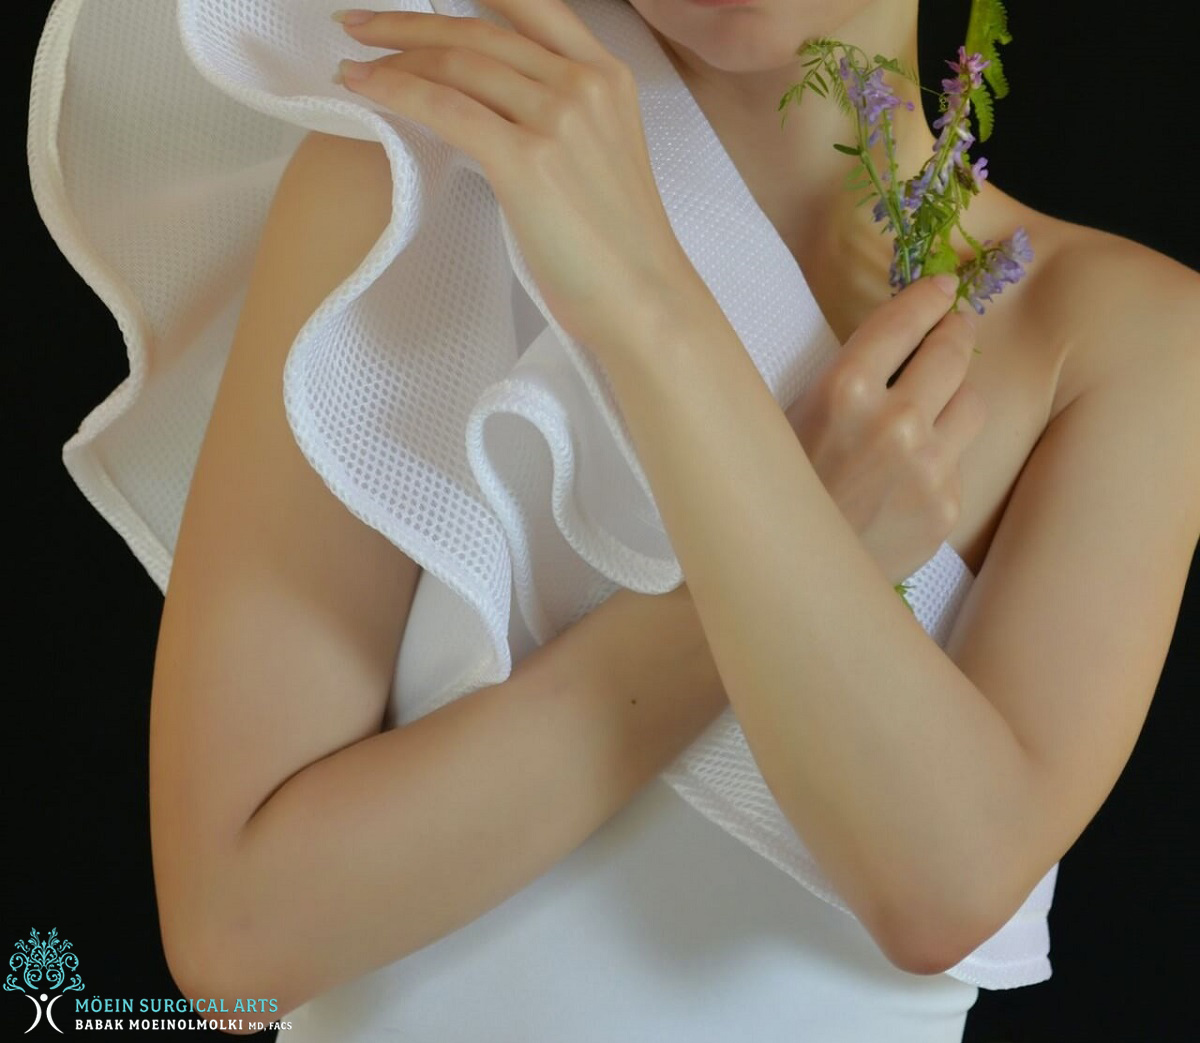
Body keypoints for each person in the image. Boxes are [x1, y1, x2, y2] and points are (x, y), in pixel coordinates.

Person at [27, 1, 1198, 1040]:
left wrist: (653, 308)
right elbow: (236, 935)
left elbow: (944, 883)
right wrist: (796, 535)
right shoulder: (407, 178)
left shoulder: (1129, 339)